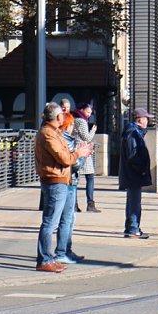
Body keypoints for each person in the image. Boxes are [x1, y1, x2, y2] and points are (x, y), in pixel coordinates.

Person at [35, 102, 92, 273]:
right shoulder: (48, 134)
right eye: (61, 114)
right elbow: (64, 158)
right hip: (54, 180)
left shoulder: (54, 132)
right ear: (58, 117)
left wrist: (78, 151)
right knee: (50, 223)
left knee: (55, 221)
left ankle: (50, 258)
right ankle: (44, 259)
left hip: (61, 179)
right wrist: (79, 153)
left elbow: (66, 153)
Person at [56, 111, 86, 264]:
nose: (73, 127)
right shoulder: (65, 140)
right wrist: (83, 155)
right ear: (67, 125)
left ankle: (66, 250)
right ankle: (62, 251)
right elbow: (72, 164)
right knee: (66, 219)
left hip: (70, 182)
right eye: (72, 124)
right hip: (68, 182)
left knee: (69, 219)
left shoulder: (66, 139)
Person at [120, 107, 155, 239]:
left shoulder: (134, 132)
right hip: (134, 173)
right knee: (134, 202)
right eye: (146, 118)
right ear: (140, 119)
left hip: (132, 173)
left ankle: (132, 227)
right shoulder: (133, 133)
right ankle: (133, 228)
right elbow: (133, 155)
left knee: (133, 201)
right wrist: (141, 170)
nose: (147, 121)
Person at [72, 102, 100, 212]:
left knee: (75, 178)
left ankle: (74, 204)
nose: (89, 114)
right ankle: (90, 204)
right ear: (82, 110)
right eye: (88, 112)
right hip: (82, 150)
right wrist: (93, 131)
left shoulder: (74, 119)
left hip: (76, 150)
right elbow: (87, 138)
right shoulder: (81, 121)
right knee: (89, 177)